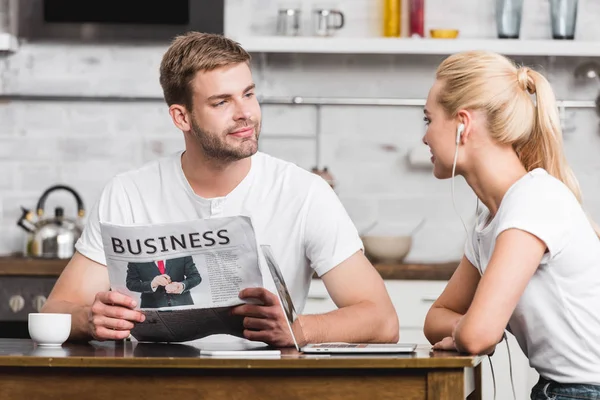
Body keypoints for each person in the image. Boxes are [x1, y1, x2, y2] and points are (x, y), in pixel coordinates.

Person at [41, 31, 399, 348]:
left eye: (248, 94)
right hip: (151, 383)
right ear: (182, 117)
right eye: (222, 102)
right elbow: (57, 308)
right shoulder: (128, 192)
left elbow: (381, 319)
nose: (245, 113)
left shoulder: (305, 193)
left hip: (265, 386)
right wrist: (90, 319)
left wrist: (298, 329)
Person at [421, 50, 600, 399]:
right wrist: (468, 325)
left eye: (428, 120)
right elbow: (437, 319)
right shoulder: (492, 219)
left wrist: (473, 327)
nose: (424, 137)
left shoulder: (532, 201)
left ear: (462, 124)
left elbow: (479, 336)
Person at [125, 256, 201, 308]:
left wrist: (182, 286)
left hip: (183, 304)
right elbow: (131, 283)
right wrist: (152, 284)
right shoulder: (135, 259)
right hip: (152, 307)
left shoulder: (181, 253)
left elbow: (195, 277)